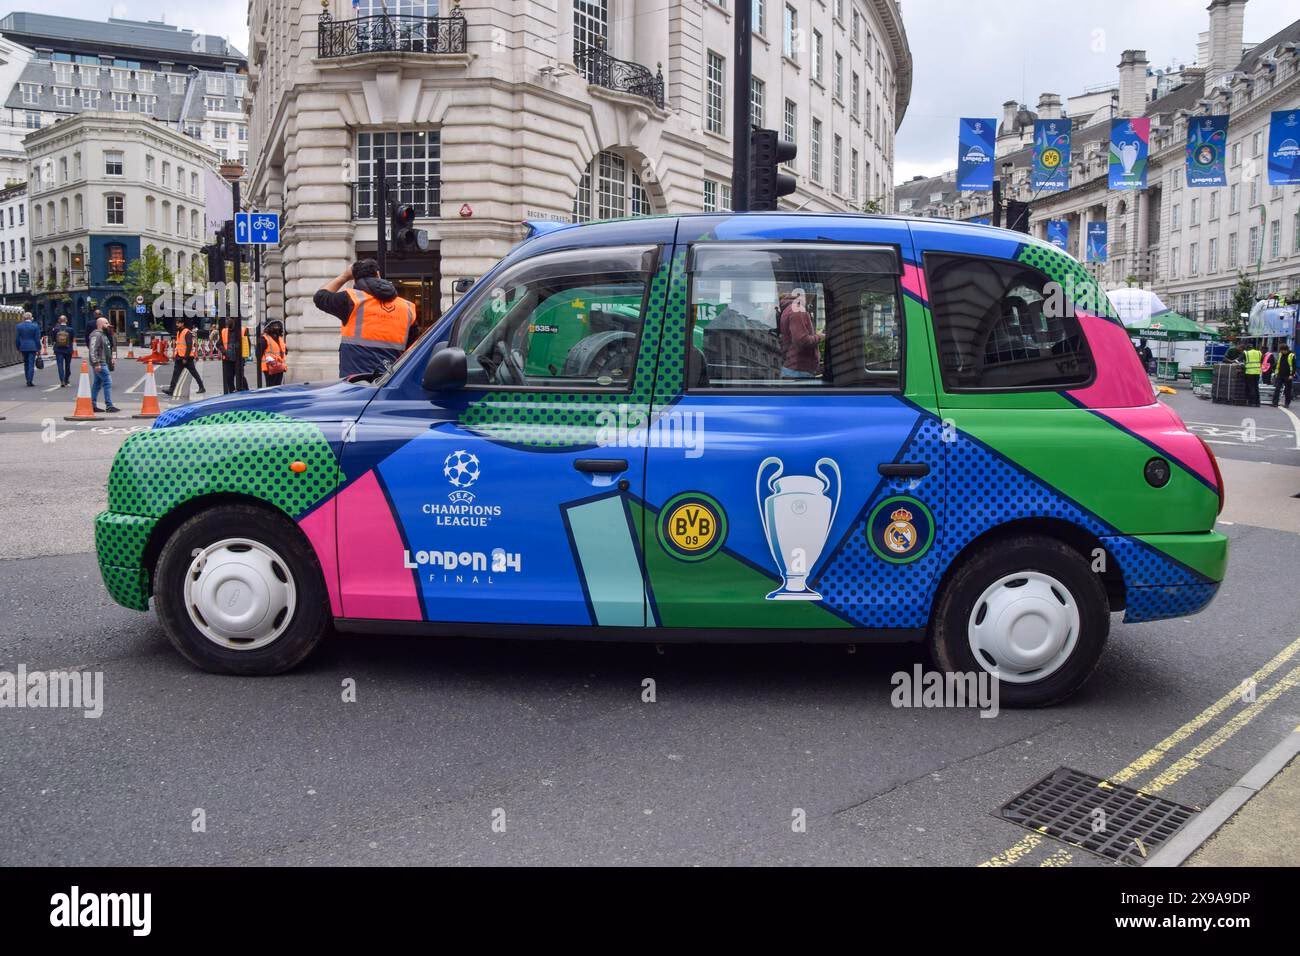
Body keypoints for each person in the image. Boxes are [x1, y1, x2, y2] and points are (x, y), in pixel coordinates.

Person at [314, 259, 417, 378]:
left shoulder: (351, 300)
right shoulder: (407, 307)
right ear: (378, 274)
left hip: (355, 383)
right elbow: (413, 346)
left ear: (354, 277)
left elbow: (320, 297)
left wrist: (344, 276)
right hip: (389, 380)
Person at [777, 288, 823, 379]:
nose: (809, 303)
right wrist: (819, 337)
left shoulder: (788, 309)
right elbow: (802, 340)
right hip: (799, 370)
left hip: (793, 368)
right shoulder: (797, 309)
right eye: (810, 299)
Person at [160, 317, 206, 397]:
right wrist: (177, 355)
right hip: (179, 357)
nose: (177, 324)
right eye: (176, 323)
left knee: (194, 373)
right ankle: (171, 390)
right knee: (175, 374)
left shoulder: (187, 332)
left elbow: (189, 346)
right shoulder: (179, 332)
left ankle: (202, 387)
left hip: (186, 358)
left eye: (178, 323)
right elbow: (180, 345)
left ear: (182, 324)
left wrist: (185, 358)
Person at [88, 316, 120, 413]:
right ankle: (109, 405)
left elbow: (107, 349)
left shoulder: (103, 334)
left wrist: (111, 359)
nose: (108, 325)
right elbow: (92, 350)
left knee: (97, 383)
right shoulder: (96, 335)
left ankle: (92, 405)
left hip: (103, 362)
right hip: (100, 363)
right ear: (101, 324)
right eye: (106, 323)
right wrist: (96, 363)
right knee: (107, 382)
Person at [219, 317, 251, 394]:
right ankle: (232, 393)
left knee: (240, 378)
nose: (227, 321)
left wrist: (244, 358)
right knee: (229, 378)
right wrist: (224, 351)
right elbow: (219, 344)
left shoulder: (243, 330)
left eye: (229, 319)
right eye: (226, 319)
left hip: (238, 359)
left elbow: (247, 345)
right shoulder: (224, 331)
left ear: (234, 320)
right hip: (228, 360)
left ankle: (247, 392)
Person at [14, 310, 41, 386]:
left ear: (24, 318)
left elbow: (17, 339)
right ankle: (29, 380)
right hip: (32, 347)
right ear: (31, 318)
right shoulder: (35, 326)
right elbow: (37, 339)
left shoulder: (19, 326)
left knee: (26, 363)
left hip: (23, 347)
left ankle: (27, 378)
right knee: (31, 364)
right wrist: (38, 348)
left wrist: (18, 347)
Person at [258, 320, 288, 387]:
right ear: (268, 327)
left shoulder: (280, 338)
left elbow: (285, 351)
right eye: (274, 325)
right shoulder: (264, 338)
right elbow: (258, 353)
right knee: (271, 386)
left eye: (278, 325)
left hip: (279, 366)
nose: (277, 327)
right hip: (269, 367)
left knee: (278, 386)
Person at [50, 314, 74, 386]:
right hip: (68, 349)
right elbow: (72, 339)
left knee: (60, 365)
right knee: (67, 365)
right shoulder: (70, 329)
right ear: (66, 320)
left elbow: (53, 339)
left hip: (58, 349)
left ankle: (62, 380)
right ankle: (66, 379)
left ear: (59, 321)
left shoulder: (55, 329)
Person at [1272, 344, 1294, 408]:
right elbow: (1278, 363)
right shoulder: (1280, 354)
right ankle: (1274, 403)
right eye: (1281, 350)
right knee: (1277, 389)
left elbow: (1294, 366)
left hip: (1288, 375)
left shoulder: (1291, 355)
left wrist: (1291, 375)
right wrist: (1275, 371)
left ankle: (1287, 403)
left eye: (1282, 350)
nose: (1281, 352)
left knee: (1287, 390)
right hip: (1280, 375)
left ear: (1286, 350)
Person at [1242, 342, 1262, 407]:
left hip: (1249, 372)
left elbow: (1238, 360)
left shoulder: (1246, 353)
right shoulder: (1259, 352)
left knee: (1251, 387)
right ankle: (1257, 403)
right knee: (1256, 387)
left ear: (1247, 348)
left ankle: (1252, 402)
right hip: (1257, 372)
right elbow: (1261, 360)